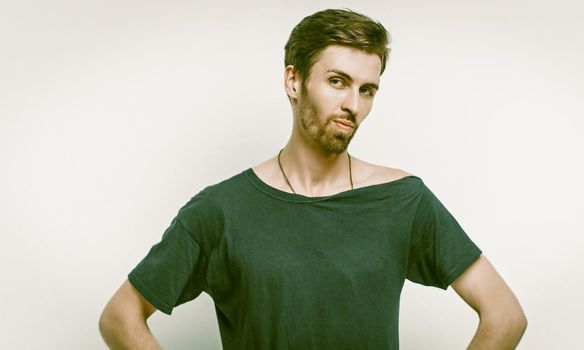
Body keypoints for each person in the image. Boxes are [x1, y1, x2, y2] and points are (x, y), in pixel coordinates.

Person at [99, 8, 527, 350]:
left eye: (367, 90)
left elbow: (504, 316)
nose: (352, 105)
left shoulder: (402, 200)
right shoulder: (220, 211)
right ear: (294, 80)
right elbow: (120, 317)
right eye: (337, 82)